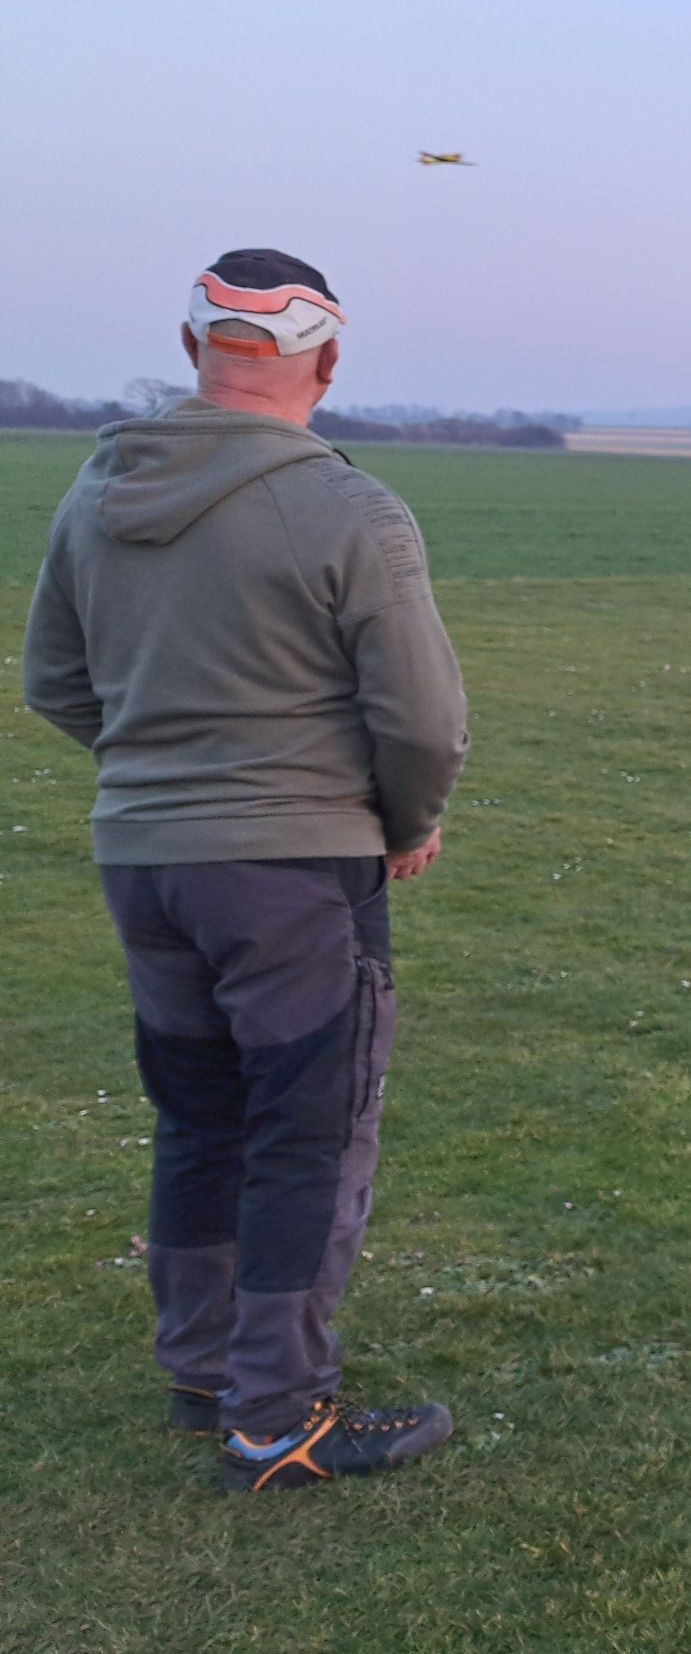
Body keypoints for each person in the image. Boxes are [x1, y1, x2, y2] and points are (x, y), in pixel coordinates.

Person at [20, 249, 470, 1492]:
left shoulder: (95, 493)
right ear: (329, 363)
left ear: (189, 350)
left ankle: (206, 1368)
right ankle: (275, 1418)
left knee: (200, 1115)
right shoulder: (349, 507)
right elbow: (423, 718)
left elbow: (54, 681)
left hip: (144, 860)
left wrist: (163, 773)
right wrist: (403, 818)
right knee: (306, 1129)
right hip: (295, 866)